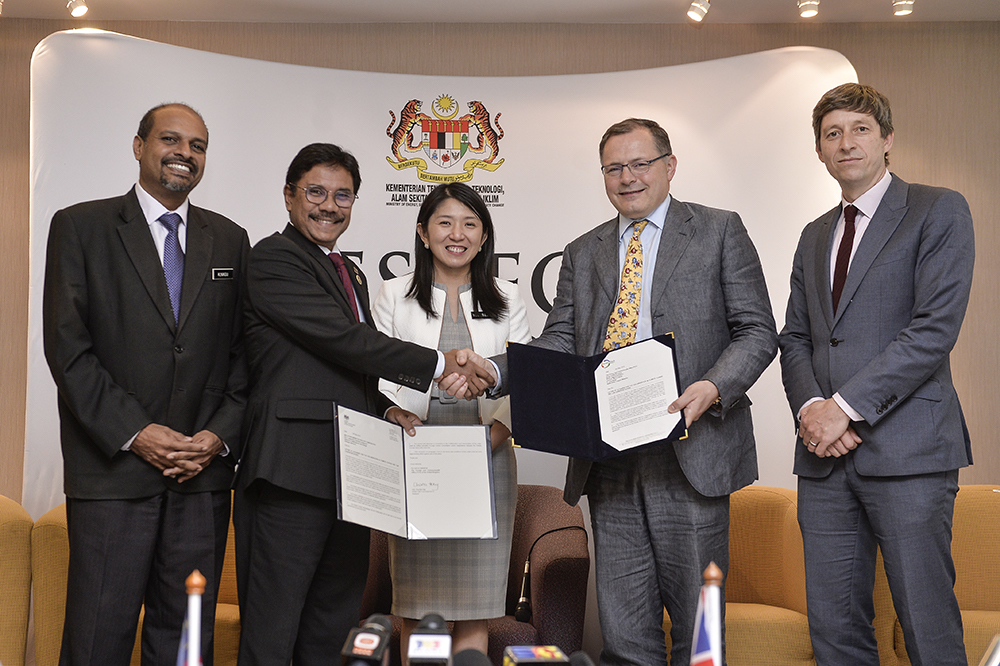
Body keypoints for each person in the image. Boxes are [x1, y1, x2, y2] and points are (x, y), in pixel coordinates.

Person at [474, 118, 777, 665]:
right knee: (625, 633)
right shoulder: (583, 250)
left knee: (699, 631)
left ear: (669, 166)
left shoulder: (718, 229)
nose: (627, 177)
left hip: (691, 450)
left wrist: (712, 386)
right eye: (614, 167)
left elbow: (758, 331)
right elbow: (560, 338)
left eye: (640, 163)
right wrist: (498, 372)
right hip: (608, 460)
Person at [234, 143, 495, 666]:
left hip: (351, 475)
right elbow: (340, 340)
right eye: (315, 192)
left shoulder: (346, 272)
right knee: (272, 632)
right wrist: (438, 364)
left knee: (331, 627)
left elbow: (348, 367)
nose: (329, 206)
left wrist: (387, 408)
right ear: (289, 197)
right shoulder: (272, 259)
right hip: (290, 470)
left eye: (343, 195)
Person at [42, 103, 250, 665]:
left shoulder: (230, 240)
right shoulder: (80, 226)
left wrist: (216, 436)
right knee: (96, 642)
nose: (185, 153)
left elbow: (243, 357)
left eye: (198, 145)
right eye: (171, 140)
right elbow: (69, 352)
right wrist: (138, 433)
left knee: (185, 645)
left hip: (201, 480)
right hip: (113, 476)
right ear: (139, 146)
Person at [778, 83, 974, 666]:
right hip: (824, 461)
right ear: (819, 150)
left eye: (860, 129)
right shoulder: (814, 234)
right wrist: (814, 411)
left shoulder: (939, 209)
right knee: (834, 633)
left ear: (888, 139)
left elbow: (934, 329)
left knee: (927, 626)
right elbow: (796, 338)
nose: (846, 143)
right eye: (832, 133)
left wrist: (844, 406)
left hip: (910, 452)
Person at [371, 182, 532, 659]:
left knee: (475, 607)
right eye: (444, 222)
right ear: (423, 233)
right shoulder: (394, 294)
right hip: (417, 461)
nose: (456, 234)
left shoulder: (508, 297)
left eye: (470, 224)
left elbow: (522, 375)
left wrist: (494, 437)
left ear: (484, 237)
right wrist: (394, 412)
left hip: (489, 460)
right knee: (417, 609)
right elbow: (376, 371)